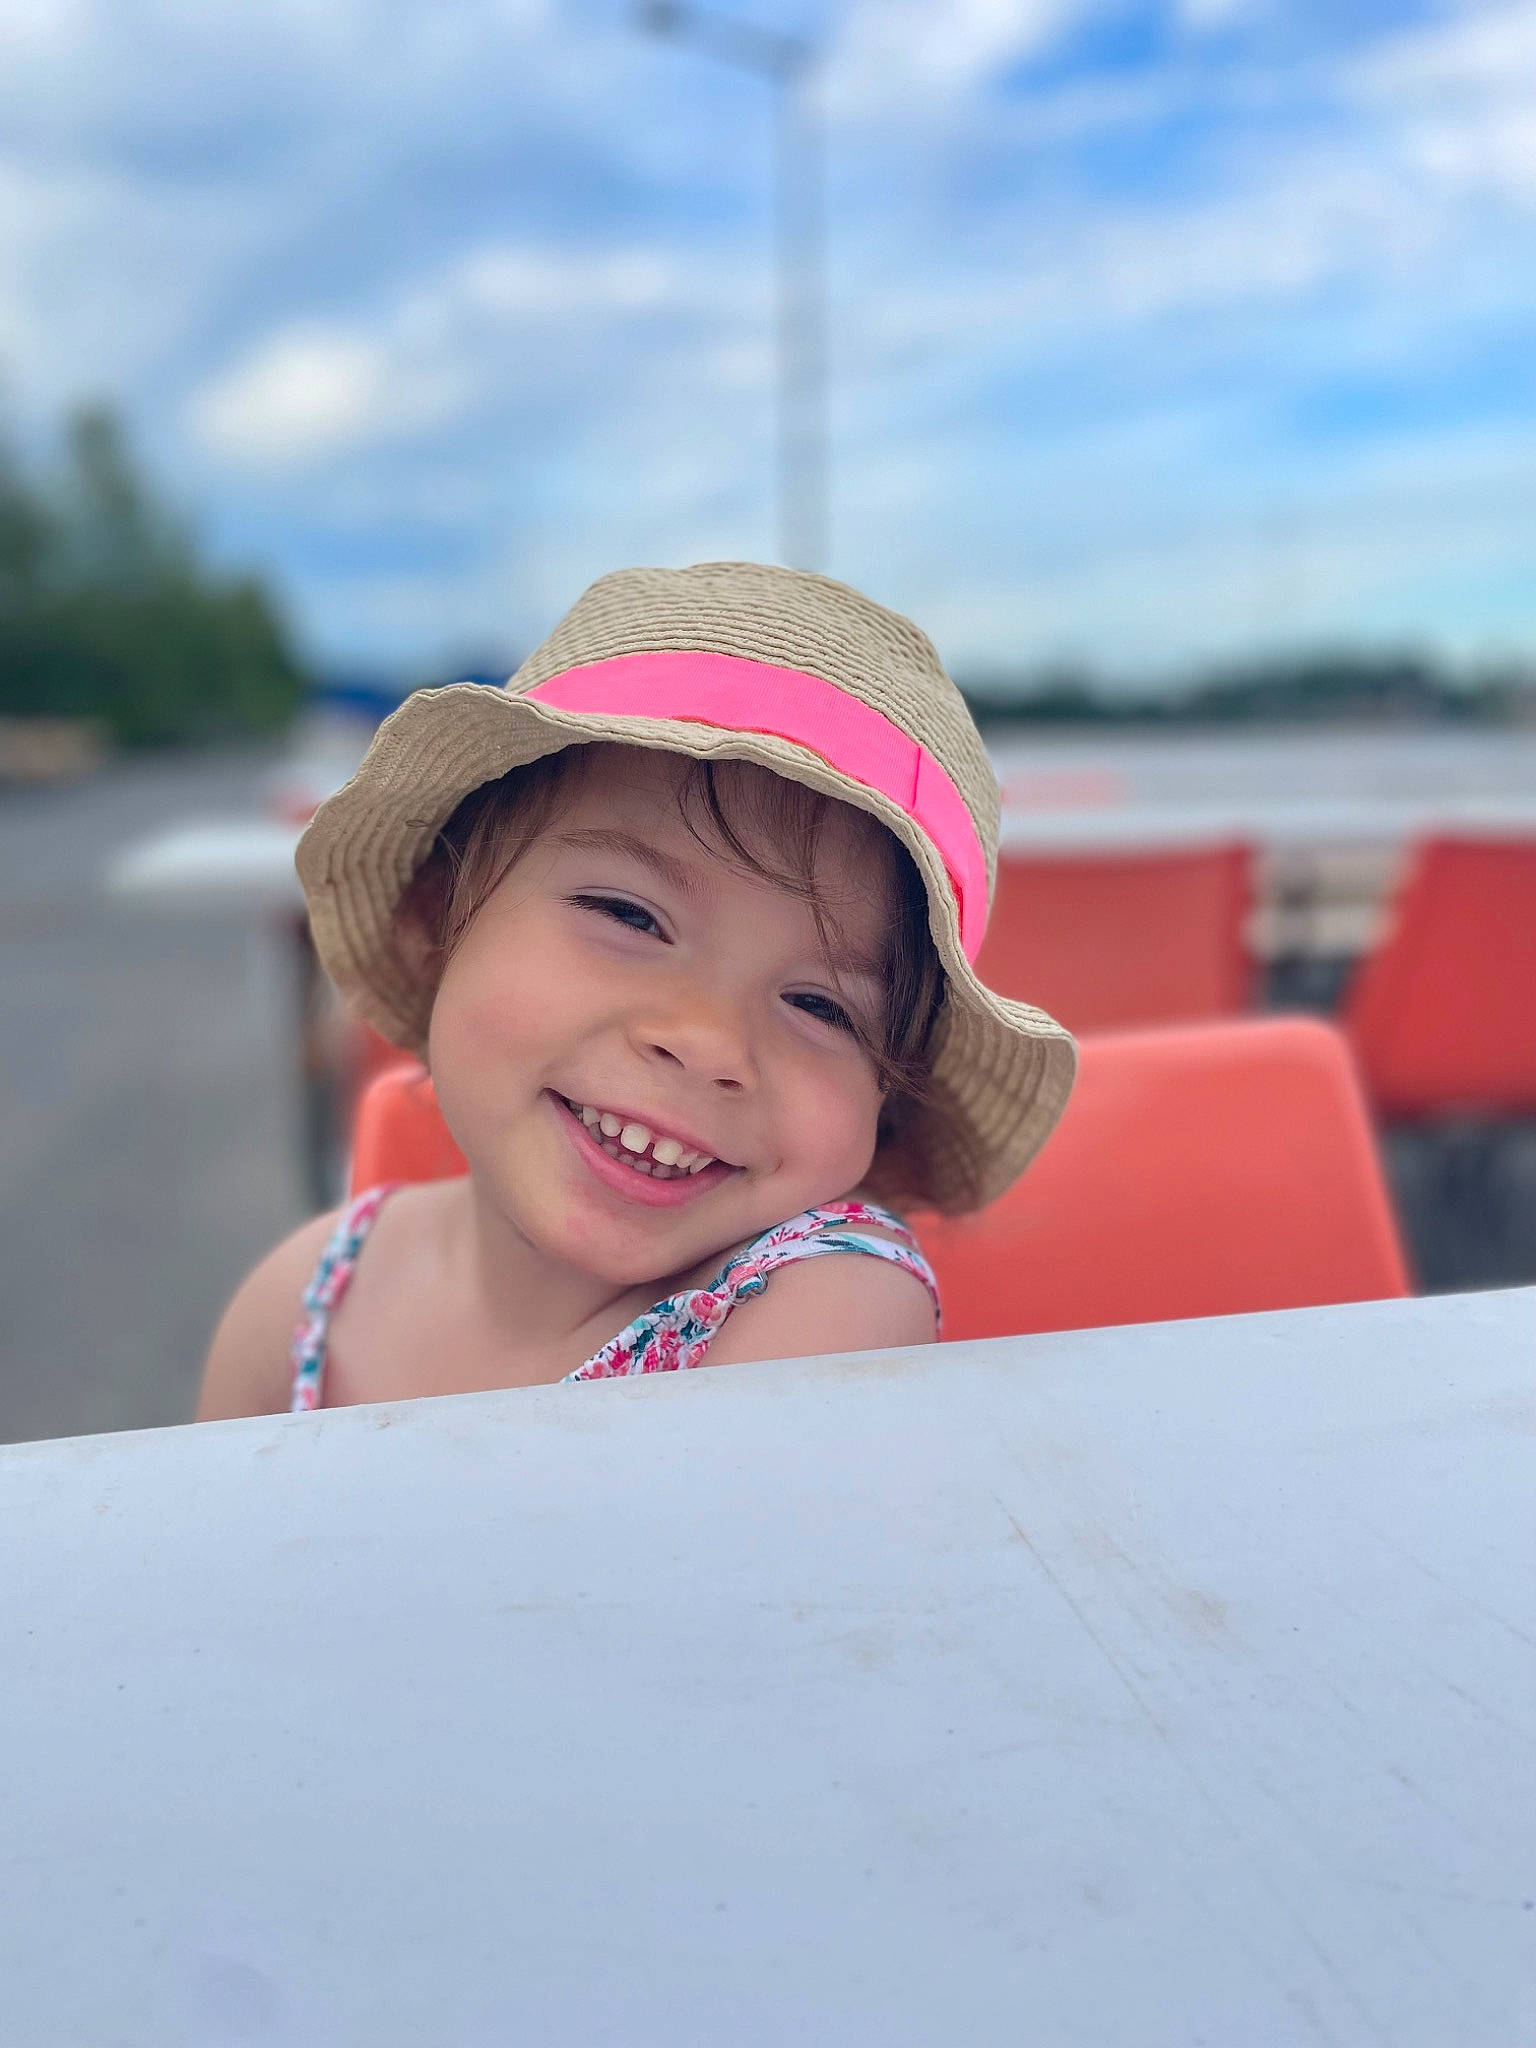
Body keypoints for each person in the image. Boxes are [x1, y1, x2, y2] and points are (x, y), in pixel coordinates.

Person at [197, 562, 1075, 1418]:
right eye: (629, 915)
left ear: (888, 1103)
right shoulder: (305, 1300)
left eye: (822, 1006)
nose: (707, 1041)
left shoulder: (830, 1305)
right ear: (437, 921)